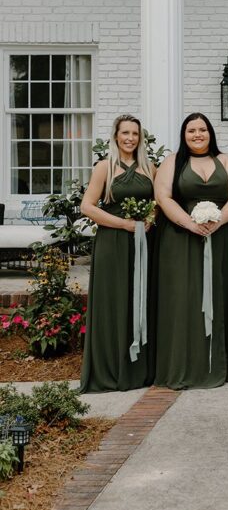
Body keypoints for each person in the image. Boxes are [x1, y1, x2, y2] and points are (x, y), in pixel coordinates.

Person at [154, 113, 228, 389]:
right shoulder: (173, 162)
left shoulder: (225, 161)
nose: (197, 134)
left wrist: (217, 222)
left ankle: (217, 364)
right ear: (184, 134)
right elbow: (163, 197)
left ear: (210, 133)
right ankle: (184, 366)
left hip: (220, 237)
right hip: (181, 239)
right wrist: (190, 223)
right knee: (185, 299)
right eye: (191, 130)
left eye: (202, 129)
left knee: (220, 294)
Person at [80, 114, 156, 393]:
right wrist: (123, 224)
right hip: (112, 243)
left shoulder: (150, 168)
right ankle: (110, 370)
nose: (130, 138)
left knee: (140, 300)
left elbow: (158, 202)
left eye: (135, 134)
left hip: (143, 244)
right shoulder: (104, 167)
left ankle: (139, 371)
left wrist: (149, 217)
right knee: (114, 302)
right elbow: (87, 207)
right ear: (115, 136)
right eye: (125, 133)